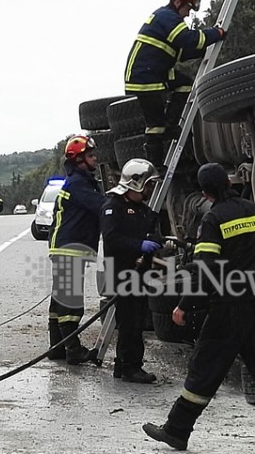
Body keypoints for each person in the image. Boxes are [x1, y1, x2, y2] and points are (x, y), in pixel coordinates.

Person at [143, 163, 255, 453]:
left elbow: (205, 270)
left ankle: (176, 431)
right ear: (228, 182)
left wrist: (184, 305)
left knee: (204, 369)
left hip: (228, 309)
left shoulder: (213, 221)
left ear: (205, 192)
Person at [124, 0, 226, 168]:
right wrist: (216, 34)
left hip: (154, 71)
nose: (188, 14)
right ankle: (155, 166)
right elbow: (189, 39)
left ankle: (171, 125)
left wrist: (203, 51)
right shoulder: (168, 17)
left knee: (185, 84)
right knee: (155, 125)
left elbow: (181, 52)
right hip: (145, 77)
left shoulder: (166, 18)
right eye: (188, 8)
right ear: (178, 2)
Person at [100, 158, 162, 383]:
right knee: (129, 323)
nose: (150, 190)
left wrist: (153, 240)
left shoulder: (141, 210)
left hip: (140, 273)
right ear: (136, 184)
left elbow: (148, 232)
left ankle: (129, 364)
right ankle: (128, 367)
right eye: (147, 185)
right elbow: (112, 239)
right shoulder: (112, 208)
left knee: (137, 320)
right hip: (123, 273)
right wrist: (139, 245)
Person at [46, 135, 106, 365]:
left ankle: (57, 347)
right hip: (70, 248)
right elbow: (101, 206)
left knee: (59, 300)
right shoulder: (79, 184)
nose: (95, 159)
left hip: (65, 247)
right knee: (71, 302)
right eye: (90, 156)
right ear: (78, 160)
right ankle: (73, 350)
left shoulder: (79, 181)